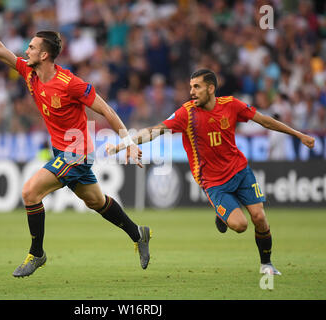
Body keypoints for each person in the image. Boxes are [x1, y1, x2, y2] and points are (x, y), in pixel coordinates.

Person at [0, 6, 152, 277]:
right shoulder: (29, 73)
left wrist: (129, 142)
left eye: (31, 47)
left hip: (78, 151)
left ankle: (37, 253)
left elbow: (107, 111)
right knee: (97, 202)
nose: (25, 50)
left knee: (30, 192)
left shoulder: (70, 83)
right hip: (62, 149)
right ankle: (138, 233)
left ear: (44, 54)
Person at [108, 69, 315, 276]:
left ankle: (266, 264)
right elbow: (154, 130)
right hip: (213, 181)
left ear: (211, 88)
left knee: (259, 217)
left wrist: (298, 134)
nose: (191, 91)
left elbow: (264, 120)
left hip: (240, 170)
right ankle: (222, 214)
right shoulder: (186, 113)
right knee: (240, 225)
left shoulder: (231, 105)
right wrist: (124, 143)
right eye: (190, 87)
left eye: (196, 87)